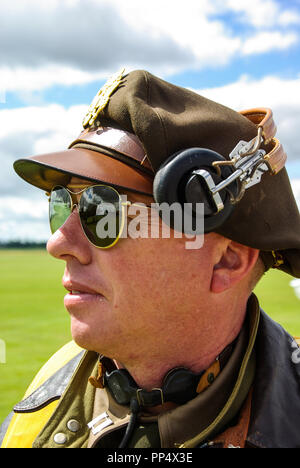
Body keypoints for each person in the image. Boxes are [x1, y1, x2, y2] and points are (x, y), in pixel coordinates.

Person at [1, 69, 300, 449]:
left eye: (102, 211)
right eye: (63, 204)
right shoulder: (54, 378)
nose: (58, 242)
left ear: (226, 261)